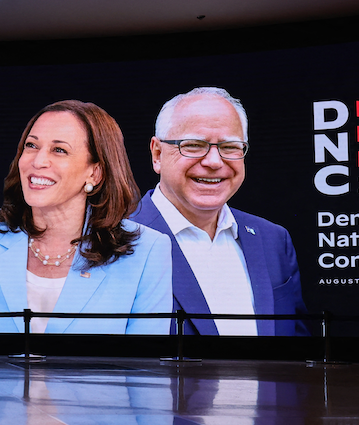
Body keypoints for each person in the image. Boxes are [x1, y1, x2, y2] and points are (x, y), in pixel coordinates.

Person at [0, 100, 172, 335]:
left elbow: (149, 366)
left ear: (94, 173)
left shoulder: (147, 252)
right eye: (31, 145)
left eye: (59, 150)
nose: (38, 161)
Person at [129, 87, 309, 336]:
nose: (214, 162)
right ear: (157, 154)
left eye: (230, 147)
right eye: (193, 145)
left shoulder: (274, 241)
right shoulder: (116, 241)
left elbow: (298, 355)